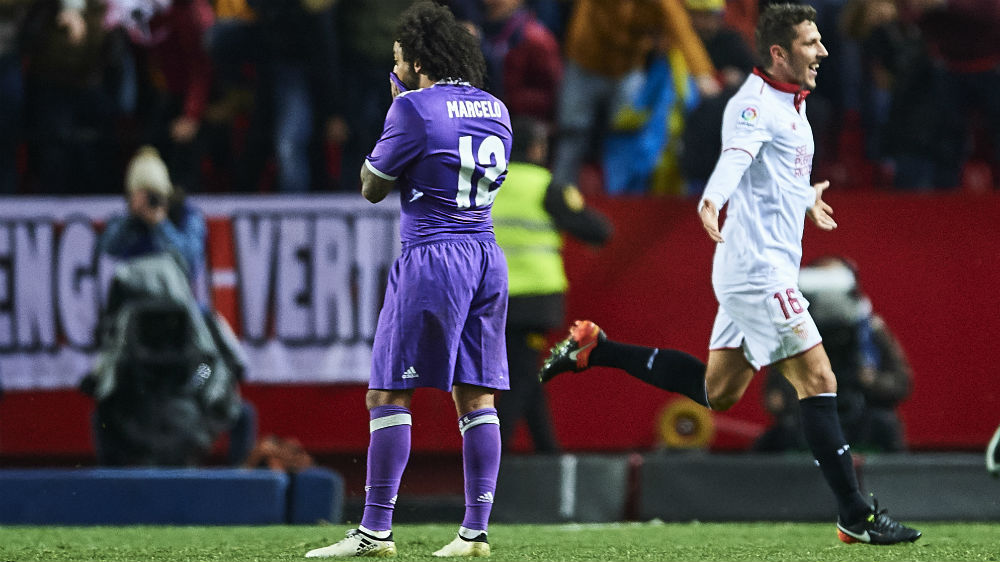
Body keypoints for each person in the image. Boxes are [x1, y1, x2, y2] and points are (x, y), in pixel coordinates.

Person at [537, 4, 921, 546]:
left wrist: (803, 197)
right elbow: (736, 156)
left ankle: (595, 350)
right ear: (779, 53)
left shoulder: (793, 104)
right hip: (758, 271)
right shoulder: (753, 105)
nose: (824, 51)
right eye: (812, 43)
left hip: (760, 267)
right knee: (820, 380)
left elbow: (771, 170)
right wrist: (712, 200)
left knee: (717, 392)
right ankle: (854, 514)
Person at [304, 2, 512, 558]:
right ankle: (475, 531)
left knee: (388, 391)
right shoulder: (497, 108)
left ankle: (375, 530)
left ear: (418, 60)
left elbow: (372, 186)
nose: (394, 69)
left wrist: (395, 111)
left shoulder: (414, 107)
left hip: (432, 254)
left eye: (398, 59)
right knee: (477, 395)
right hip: (487, 255)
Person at [95, 145, 256, 466]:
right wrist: (134, 216)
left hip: (188, 331)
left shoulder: (186, 216)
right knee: (103, 389)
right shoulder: (124, 223)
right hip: (134, 338)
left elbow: (188, 261)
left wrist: (160, 222)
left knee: (217, 367)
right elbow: (107, 247)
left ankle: (200, 393)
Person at [493, 116, 611, 453]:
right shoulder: (545, 186)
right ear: (537, 148)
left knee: (524, 369)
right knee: (522, 377)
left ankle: (548, 451)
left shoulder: (488, 185)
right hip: (535, 297)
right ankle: (489, 458)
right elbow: (596, 230)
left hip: (494, 297)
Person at [754, 256, 913, 453]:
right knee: (775, 439)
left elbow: (901, 384)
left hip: (861, 419)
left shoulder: (871, 331)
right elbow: (774, 396)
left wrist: (872, 381)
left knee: (886, 426)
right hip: (809, 419)